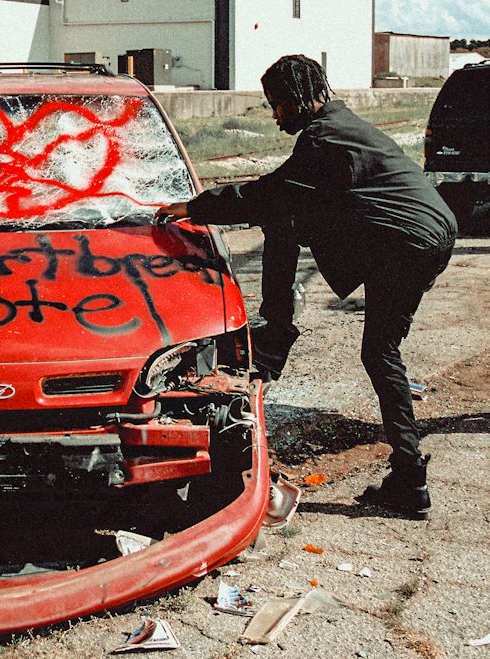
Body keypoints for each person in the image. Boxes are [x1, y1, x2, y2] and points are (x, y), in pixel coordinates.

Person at [160, 54, 456, 519]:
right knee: (286, 222)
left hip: (406, 240)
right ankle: (406, 476)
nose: (275, 114)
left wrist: (193, 208)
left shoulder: (322, 139)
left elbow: (268, 193)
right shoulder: (339, 127)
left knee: (379, 353)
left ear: (298, 97)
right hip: (425, 232)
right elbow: (284, 200)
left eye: (276, 104)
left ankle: (409, 479)